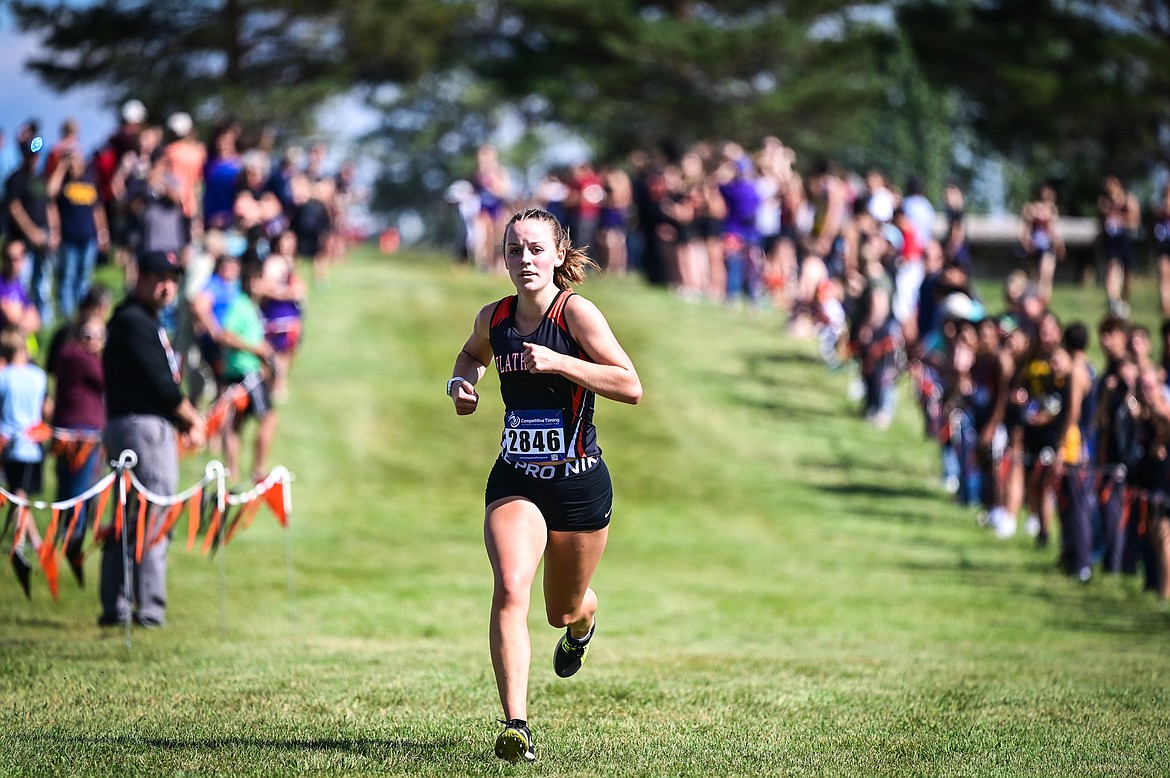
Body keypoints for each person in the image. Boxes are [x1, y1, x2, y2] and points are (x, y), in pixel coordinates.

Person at [447, 208, 642, 763]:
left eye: (535, 249)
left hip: (579, 485)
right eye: (514, 250)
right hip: (517, 477)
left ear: (558, 255)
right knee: (511, 586)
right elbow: (470, 355)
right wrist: (463, 382)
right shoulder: (496, 317)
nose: (524, 259)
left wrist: (560, 362)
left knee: (562, 608)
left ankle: (582, 625)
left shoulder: (575, 314)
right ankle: (517, 726)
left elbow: (630, 385)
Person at [99, 249, 205, 628]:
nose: (168, 285)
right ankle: (148, 608)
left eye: (173, 278)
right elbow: (161, 385)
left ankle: (119, 604)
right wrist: (192, 418)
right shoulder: (134, 321)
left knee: (131, 516)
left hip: (132, 424)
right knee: (153, 514)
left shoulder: (141, 320)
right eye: (160, 277)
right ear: (139, 277)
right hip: (143, 427)